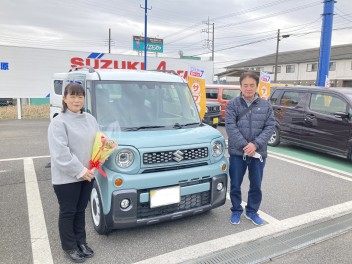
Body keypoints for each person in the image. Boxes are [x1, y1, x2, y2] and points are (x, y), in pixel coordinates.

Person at [48, 83, 99, 263]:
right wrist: (81, 171)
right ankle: (70, 246)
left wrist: (101, 156)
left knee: (80, 211)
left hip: (88, 174)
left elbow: (97, 143)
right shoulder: (58, 122)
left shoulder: (90, 119)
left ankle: (81, 242)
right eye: (72, 96)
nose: (77, 100)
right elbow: (61, 154)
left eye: (80, 96)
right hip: (67, 178)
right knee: (68, 211)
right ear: (64, 99)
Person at [225, 71, 275, 226]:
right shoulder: (232, 104)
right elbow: (230, 127)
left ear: (257, 86)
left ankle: (252, 211)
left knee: (256, 185)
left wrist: (255, 145)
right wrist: (245, 146)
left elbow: (270, 126)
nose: (248, 88)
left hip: (258, 152)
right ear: (240, 86)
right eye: (245, 85)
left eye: (251, 85)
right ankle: (236, 210)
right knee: (235, 184)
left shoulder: (265, 105)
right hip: (237, 152)